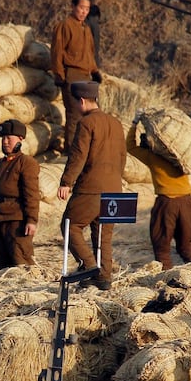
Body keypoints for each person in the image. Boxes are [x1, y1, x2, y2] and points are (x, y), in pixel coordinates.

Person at [57, 81, 126, 290]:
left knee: (70, 226)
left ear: (81, 100)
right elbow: (122, 157)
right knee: (103, 235)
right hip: (114, 189)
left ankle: (88, 266)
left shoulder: (86, 124)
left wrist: (66, 182)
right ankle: (104, 277)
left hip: (91, 188)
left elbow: (78, 156)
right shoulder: (116, 123)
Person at [126, 116, 191, 270]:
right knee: (186, 246)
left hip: (167, 204)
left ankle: (165, 277)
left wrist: (134, 124)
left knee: (161, 248)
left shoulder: (153, 157)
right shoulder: (183, 159)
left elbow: (130, 147)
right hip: (187, 203)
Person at [0, 119, 41, 270]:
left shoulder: (26, 163)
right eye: (3, 138)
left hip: (17, 222)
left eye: (10, 138)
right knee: (0, 267)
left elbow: (31, 194)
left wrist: (31, 220)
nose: (5, 141)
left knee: (21, 263)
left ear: (20, 139)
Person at [51, 0, 101, 153]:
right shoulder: (65, 26)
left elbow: (90, 53)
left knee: (91, 114)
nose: (83, 12)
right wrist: (59, 74)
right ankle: (70, 152)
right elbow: (57, 51)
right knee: (74, 115)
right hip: (72, 75)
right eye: (81, 7)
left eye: (87, 9)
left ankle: (85, 150)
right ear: (73, 6)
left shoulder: (86, 29)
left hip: (86, 76)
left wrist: (95, 71)